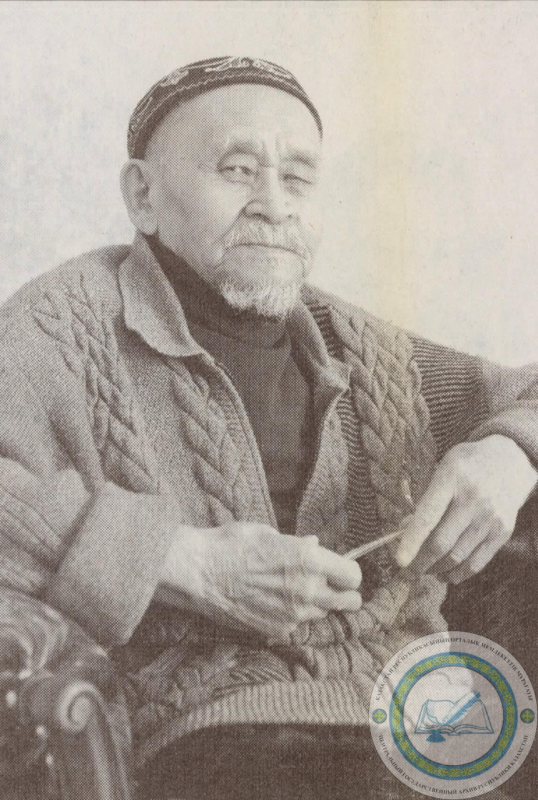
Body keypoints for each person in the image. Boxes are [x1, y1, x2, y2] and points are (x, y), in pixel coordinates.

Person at [0, 56, 536, 799]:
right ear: (142, 196)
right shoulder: (56, 331)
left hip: (425, 718)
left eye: (299, 177)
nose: (275, 206)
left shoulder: (357, 345)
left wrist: (512, 449)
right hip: (213, 737)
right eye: (239, 170)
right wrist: (177, 560)